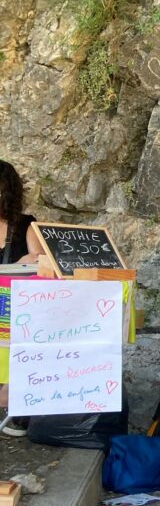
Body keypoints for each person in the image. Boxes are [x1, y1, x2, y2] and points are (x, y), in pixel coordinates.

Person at [0, 160, 46, 438]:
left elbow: (42, 261)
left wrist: (24, 260)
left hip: (16, 305)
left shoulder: (25, 225)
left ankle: (11, 398)